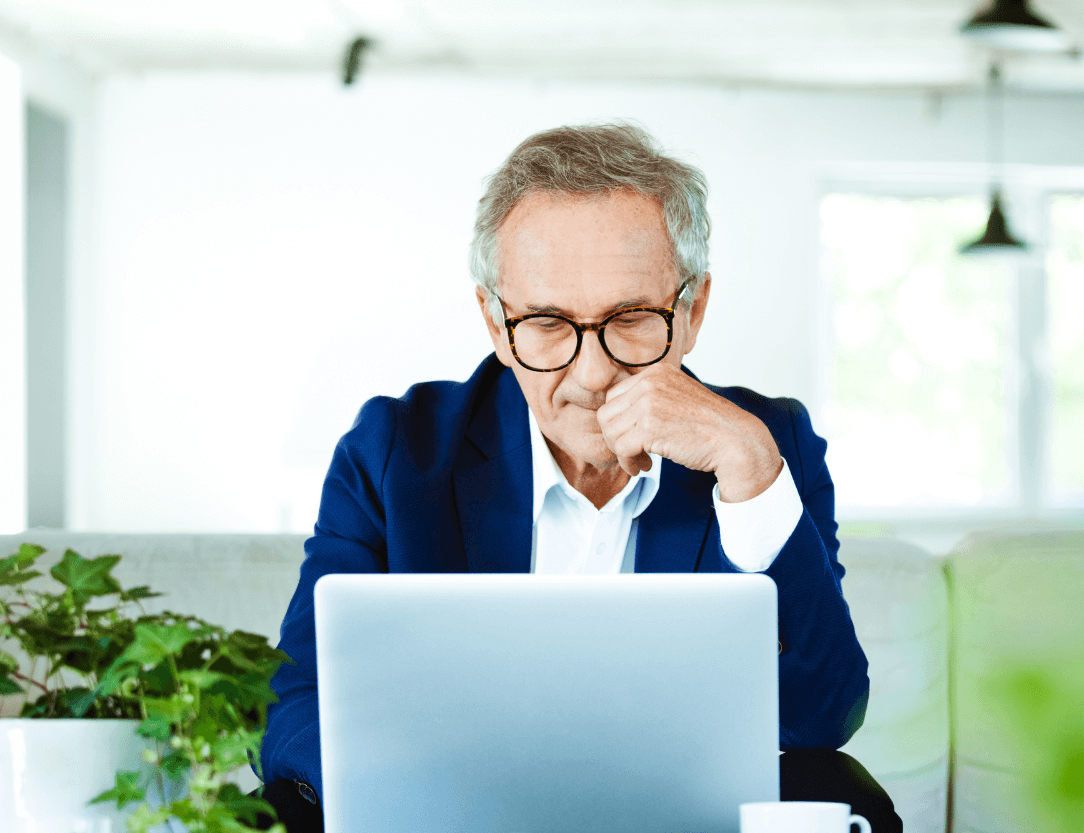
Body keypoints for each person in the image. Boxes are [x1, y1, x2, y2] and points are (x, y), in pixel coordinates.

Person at [257, 122, 902, 833]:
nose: (592, 376)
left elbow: (822, 714)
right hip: (446, 815)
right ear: (496, 323)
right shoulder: (392, 450)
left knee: (847, 795)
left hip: (686, 820)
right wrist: (434, 791)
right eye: (546, 323)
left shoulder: (769, 447)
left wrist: (749, 472)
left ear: (691, 312)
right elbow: (292, 702)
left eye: (630, 318)